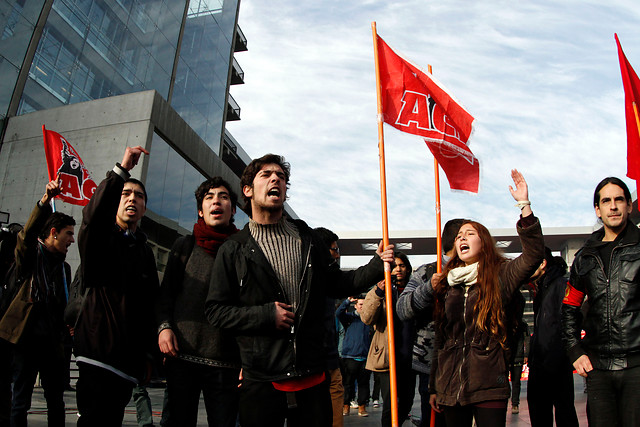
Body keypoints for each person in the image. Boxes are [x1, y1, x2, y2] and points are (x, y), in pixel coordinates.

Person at [204, 153, 394, 427]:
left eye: (281, 177)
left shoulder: (307, 238)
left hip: (311, 372)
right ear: (247, 190)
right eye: (266, 175)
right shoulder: (234, 248)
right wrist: (266, 315)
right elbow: (216, 311)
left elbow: (339, 283)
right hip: (262, 377)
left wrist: (377, 264)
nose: (276, 180)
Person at [429, 169, 544, 427]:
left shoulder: (501, 274)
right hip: (450, 384)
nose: (461, 237)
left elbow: (534, 254)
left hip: (489, 382)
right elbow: (441, 337)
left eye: (469, 233)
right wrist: (434, 385)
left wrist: (524, 205)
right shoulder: (447, 282)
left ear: (484, 242)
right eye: (459, 236)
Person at [73, 146, 160, 426]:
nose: (132, 199)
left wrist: (148, 355)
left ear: (145, 207)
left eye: (138, 196)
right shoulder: (101, 240)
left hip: (128, 366)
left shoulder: (146, 253)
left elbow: (150, 307)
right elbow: (92, 219)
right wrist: (120, 172)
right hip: (97, 358)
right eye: (125, 194)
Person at [156, 177, 240, 426]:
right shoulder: (184, 245)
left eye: (224, 197)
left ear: (233, 210)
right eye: (209, 197)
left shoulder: (242, 250)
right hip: (183, 359)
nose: (216, 201)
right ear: (200, 209)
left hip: (227, 363)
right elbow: (165, 295)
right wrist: (164, 328)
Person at [562, 176, 640, 426]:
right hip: (599, 371)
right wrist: (574, 350)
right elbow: (570, 308)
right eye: (606, 201)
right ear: (598, 209)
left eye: (619, 200)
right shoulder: (585, 256)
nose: (613, 206)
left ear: (629, 205)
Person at [0, 179, 75, 427]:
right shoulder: (30, 256)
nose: (72, 240)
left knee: (56, 401)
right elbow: (27, 234)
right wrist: (44, 202)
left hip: (53, 345)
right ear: (54, 233)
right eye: (68, 234)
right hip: (25, 342)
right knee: (20, 400)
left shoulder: (64, 269)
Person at [396, 219, 465, 427]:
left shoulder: (481, 271)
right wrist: (428, 289)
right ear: (456, 240)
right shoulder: (427, 271)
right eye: (466, 234)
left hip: (469, 362)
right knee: (434, 418)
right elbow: (402, 309)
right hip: (432, 363)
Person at [361, 251, 415, 427]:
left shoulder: (415, 289)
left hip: (410, 356)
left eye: (402, 265)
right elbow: (366, 318)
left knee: (406, 402)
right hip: (387, 356)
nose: (398, 269)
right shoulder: (380, 290)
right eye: (394, 266)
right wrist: (378, 293)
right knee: (390, 405)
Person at [527, 248, 579, 427]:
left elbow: (567, 324)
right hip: (539, 363)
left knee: (564, 413)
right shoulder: (540, 288)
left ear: (542, 264)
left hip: (556, 365)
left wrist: (557, 358)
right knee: (539, 413)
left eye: (529, 262)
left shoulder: (560, 285)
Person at [314, 227, 345, 427]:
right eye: (335, 249)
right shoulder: (309, 280)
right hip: (312, 363)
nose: (338, 254)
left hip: (331, 359)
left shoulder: (331, 279)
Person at [336, 296, 371, 417]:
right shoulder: (350, 318)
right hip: (350, 356)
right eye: (360, 304)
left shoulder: (369, 319)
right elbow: (338, 313)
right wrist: (347, 302)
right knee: (348, 383)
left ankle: (362, 406)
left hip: (365, 357)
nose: (362, 306)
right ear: (355, 306)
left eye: (364, 304)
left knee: (364, 383)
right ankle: (346, 406)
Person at [505, 290, 528, 415]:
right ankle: (513, 403)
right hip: (511, 354)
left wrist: (525, 354)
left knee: (515, 381)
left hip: (516, 355)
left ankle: (514, 403)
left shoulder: (522, 325)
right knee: (513, 381)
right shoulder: (509, 324)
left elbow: (527, 339)